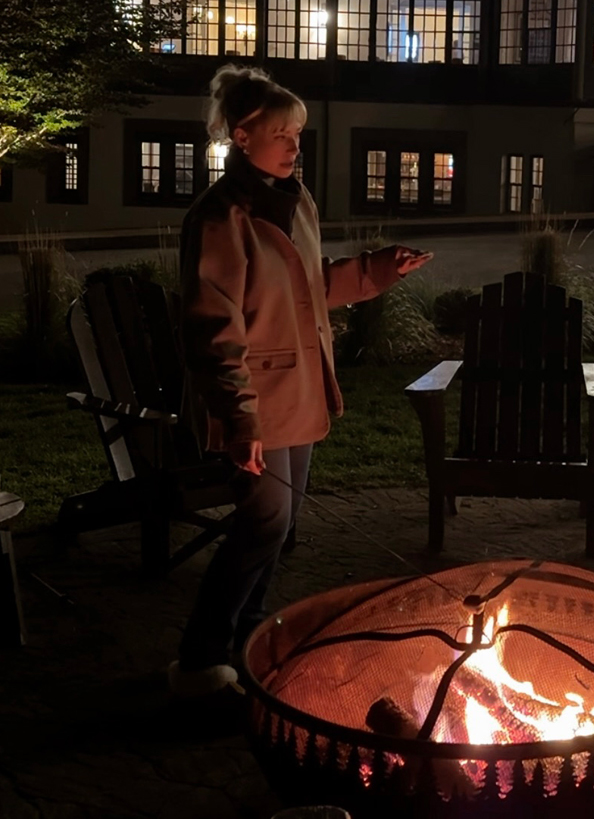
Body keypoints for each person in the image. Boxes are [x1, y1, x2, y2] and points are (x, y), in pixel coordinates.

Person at [169, 65, 432, 699]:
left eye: (298, 135)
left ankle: (249, 644)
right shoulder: (219, 218)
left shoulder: (295, 201)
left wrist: (374, 273)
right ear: (242, 135)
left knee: (279, 530)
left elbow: (307, 290)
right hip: (254, 401)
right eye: (283, 135)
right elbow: (214, 327)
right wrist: (239, 418)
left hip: (299, 389)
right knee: (263, 523)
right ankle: (202, 660)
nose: (294, 146)